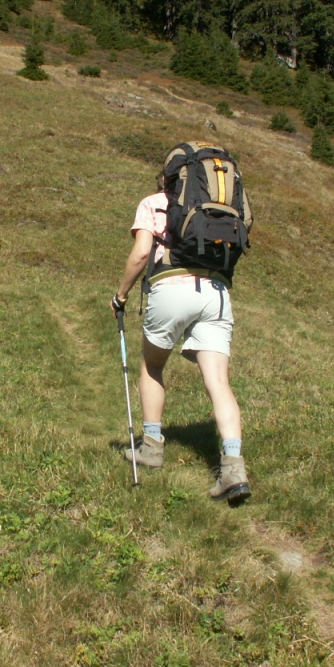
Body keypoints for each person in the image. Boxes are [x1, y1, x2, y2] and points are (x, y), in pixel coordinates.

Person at [110, 149, 251, 505]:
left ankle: (152, 447)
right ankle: (234, 468)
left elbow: (142, 253)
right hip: (216, 292)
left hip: (171, 287)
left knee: (152, 366)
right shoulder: (219, 207)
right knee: (219, 382)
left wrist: (121, 295)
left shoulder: (155, 203)